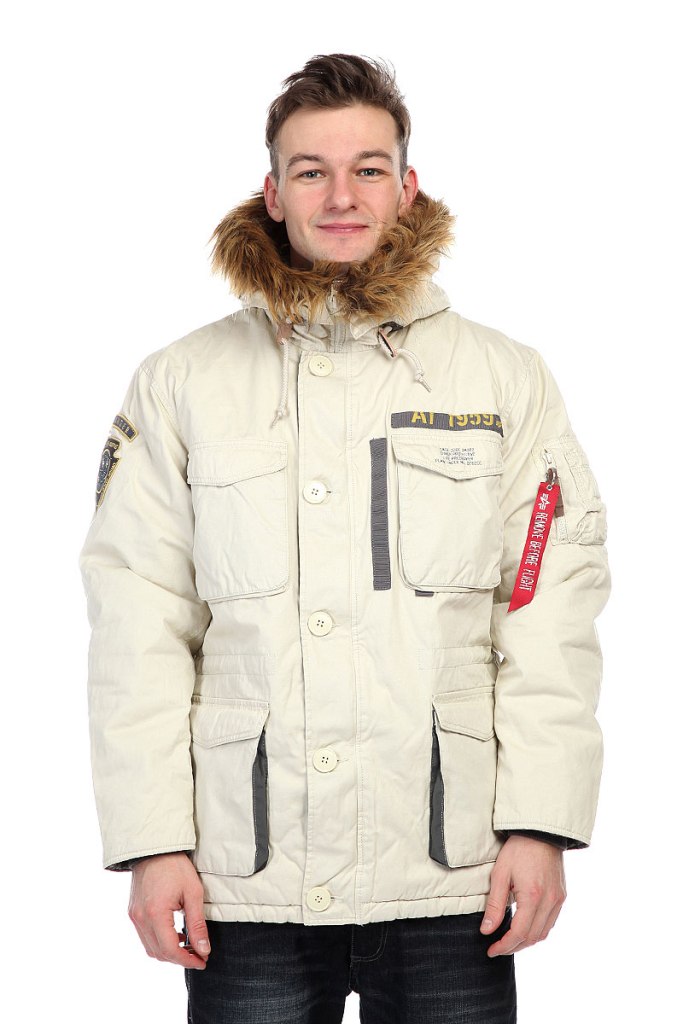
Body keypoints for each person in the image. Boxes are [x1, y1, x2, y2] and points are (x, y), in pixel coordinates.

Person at [79, 53, 610, 1024]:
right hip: (245, 876)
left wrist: (540, 824)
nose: (340, 195)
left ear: (407, 188)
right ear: (272, 192)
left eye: (368, 168)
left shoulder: (501, 378)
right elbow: (137, 624)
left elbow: (547, 608)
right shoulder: (183, 382)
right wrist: (153, 842)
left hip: (453, 873)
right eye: (310, 170)